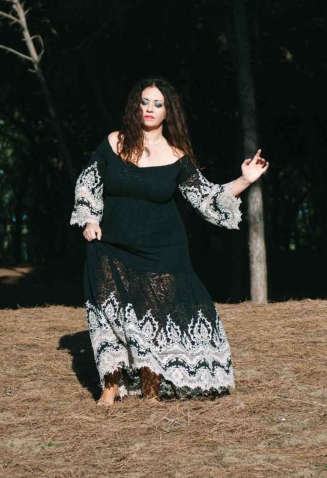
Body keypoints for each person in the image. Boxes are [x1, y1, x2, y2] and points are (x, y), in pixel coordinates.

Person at [70, 78, 269, 405]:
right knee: (111, 315)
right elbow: (88, 181)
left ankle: (151, 389)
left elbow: (208, 198)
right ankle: (110, 386)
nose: (149, 109)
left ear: (168, 111)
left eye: (157, 104)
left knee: (154, 317)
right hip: (111, 244)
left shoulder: (177, 157)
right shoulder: (114, 142)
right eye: (144, 102)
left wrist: (244, 180)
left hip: (162, 250)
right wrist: (90, 218)